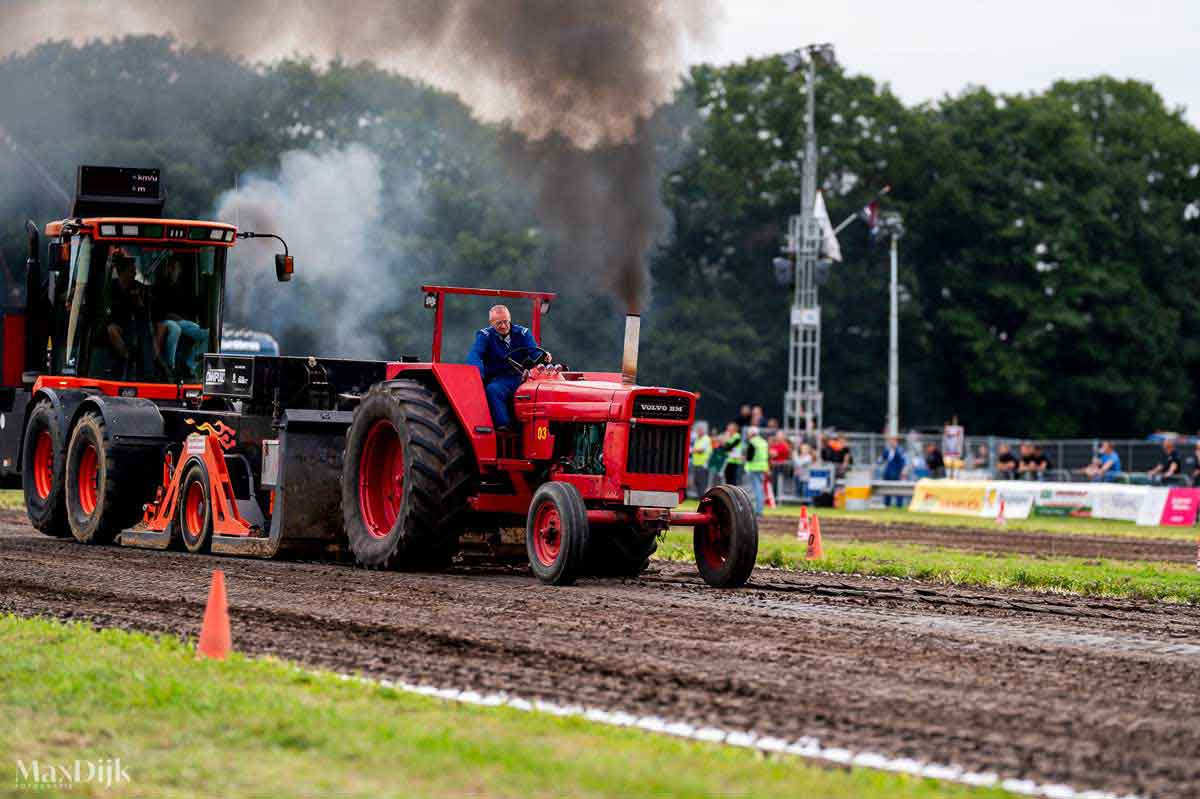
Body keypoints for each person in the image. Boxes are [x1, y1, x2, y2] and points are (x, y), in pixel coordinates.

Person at [466, 304, 550, 431]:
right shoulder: (485, 336)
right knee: (493, 390)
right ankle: (503, 426)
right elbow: (474, 355)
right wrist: (477, 373)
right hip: (498, 378)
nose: (504, 326)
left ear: (510, 319)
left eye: (506, 322)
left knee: (539, 391)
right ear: (491, 323)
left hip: (520, 377)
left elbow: (536, 354)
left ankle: (534, 426)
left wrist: (545, 359)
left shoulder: (523, 333)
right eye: (499, 323)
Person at [153, 256, 208, 380]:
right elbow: (157, 312)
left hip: (182, 321)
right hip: (164, 321)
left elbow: (191, 308)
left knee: (207, 334)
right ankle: (170, 367)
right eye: (171, 268)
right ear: (166, 269)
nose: (173, 271)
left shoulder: (183, 289)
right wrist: (171, 316)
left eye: (175, 268)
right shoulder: (159, 286)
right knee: (175, 328)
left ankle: (189, 365)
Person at [104, 253, 153, 378]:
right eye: (131, 271)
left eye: (135, 271)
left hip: (132, 326)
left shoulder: (138, 288)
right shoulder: (110, 288)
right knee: (112, 330)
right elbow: (106, 310)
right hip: (112, 325)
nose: (134, 275)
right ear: (122, 272)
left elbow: (144, 314)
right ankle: (127, 358)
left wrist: (139, 304)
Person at [744, 426, 769, 515]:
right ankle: (759, 509)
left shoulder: (752, 442)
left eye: (748, 433)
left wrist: (744, 458)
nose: (747, 435)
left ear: (751, 433)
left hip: (754, 468)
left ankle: (758, 510)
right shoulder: (763, 442)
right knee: (760, 489)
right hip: (762, 468)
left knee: (757, 489)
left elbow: (749, 458)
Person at [877, 437, 907, 506]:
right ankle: (887, 504)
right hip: (888, 473)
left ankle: (899, 505)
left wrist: (903, 471)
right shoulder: (887, 450)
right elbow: (881, 459)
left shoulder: (900, 450)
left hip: (897, 473)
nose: (891, 443)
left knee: (898, 490)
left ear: (896, 442)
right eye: (890, 441)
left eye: (893, 441)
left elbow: (904, 462)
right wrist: (877, 463)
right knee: (887, 489)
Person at [689, 422, 712, 497]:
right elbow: (695, 449)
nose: (697, 432)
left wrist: (692, 450)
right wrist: (693, 450)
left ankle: (704, 499)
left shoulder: (706, 438)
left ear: (703, 431)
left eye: (699, 430)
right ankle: (701, 498)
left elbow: (700, 450)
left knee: (702, 484)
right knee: (697, 482)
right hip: (696, 464)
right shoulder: (698, 439)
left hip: (703, 465)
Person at [768, 430, 792, 499]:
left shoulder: (784, 445)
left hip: (781, 467)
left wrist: (771, 453)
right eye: (778, 435)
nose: (778, 437)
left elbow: (774, 454)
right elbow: (770, 453)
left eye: (780, 436)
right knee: (774, 483)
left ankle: (778, 498)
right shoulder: (774, 445)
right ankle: (774, 498)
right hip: (773, 467)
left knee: (778, 483)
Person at [719, 422, 745, 486]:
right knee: (727, 479)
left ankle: (733, 494)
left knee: (733, 480)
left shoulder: (737, 437)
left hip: (735, 461)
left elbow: (728, 447)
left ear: (734, 429)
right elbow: (722, 447)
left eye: (729, 427)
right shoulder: (730, 436)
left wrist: (725, 440)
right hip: (728, 460)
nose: (728, 429)